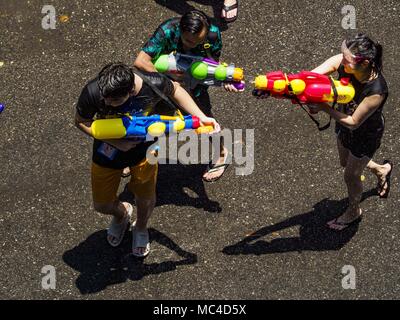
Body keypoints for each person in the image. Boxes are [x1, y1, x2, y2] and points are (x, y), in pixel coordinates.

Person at [74, 63, 220, 257]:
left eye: (113, 101)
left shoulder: (153, 83)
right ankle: (121, 214)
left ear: (131, 92)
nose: (106, 104)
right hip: (106, 152)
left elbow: (175, 89)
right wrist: (114, 142)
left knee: (145, 197)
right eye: (104, 99)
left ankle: (141, 228)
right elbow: (80, 121)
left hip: (146, 151)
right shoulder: (94, 91)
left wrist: (201, 117)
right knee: (101, 204)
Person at [134, 9, 242, 182]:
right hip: (162, 81)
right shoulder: (168, 29)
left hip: (194, 83)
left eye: (198, 41)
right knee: (146, 117)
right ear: (181, 30)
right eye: (187, 40)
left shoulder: (213, 35)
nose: (191, 45)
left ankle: (222, 153)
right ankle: (134, 155)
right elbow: (141, 61)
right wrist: (169, 83)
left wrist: (223, 79)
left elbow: (212, 63)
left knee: (204, 118)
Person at [308, 33, 393, 231]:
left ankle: (354, 211)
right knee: (345, 163)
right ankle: (381, 169)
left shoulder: (376, 90)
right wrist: (288, 88)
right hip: (343, 124)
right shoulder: (344, 62)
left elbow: (354, 122)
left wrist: (324, 107)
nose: (341, 61)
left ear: (363, 63)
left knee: (351, 176)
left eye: (346, 60)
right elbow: (310, 76)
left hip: (365, 135)